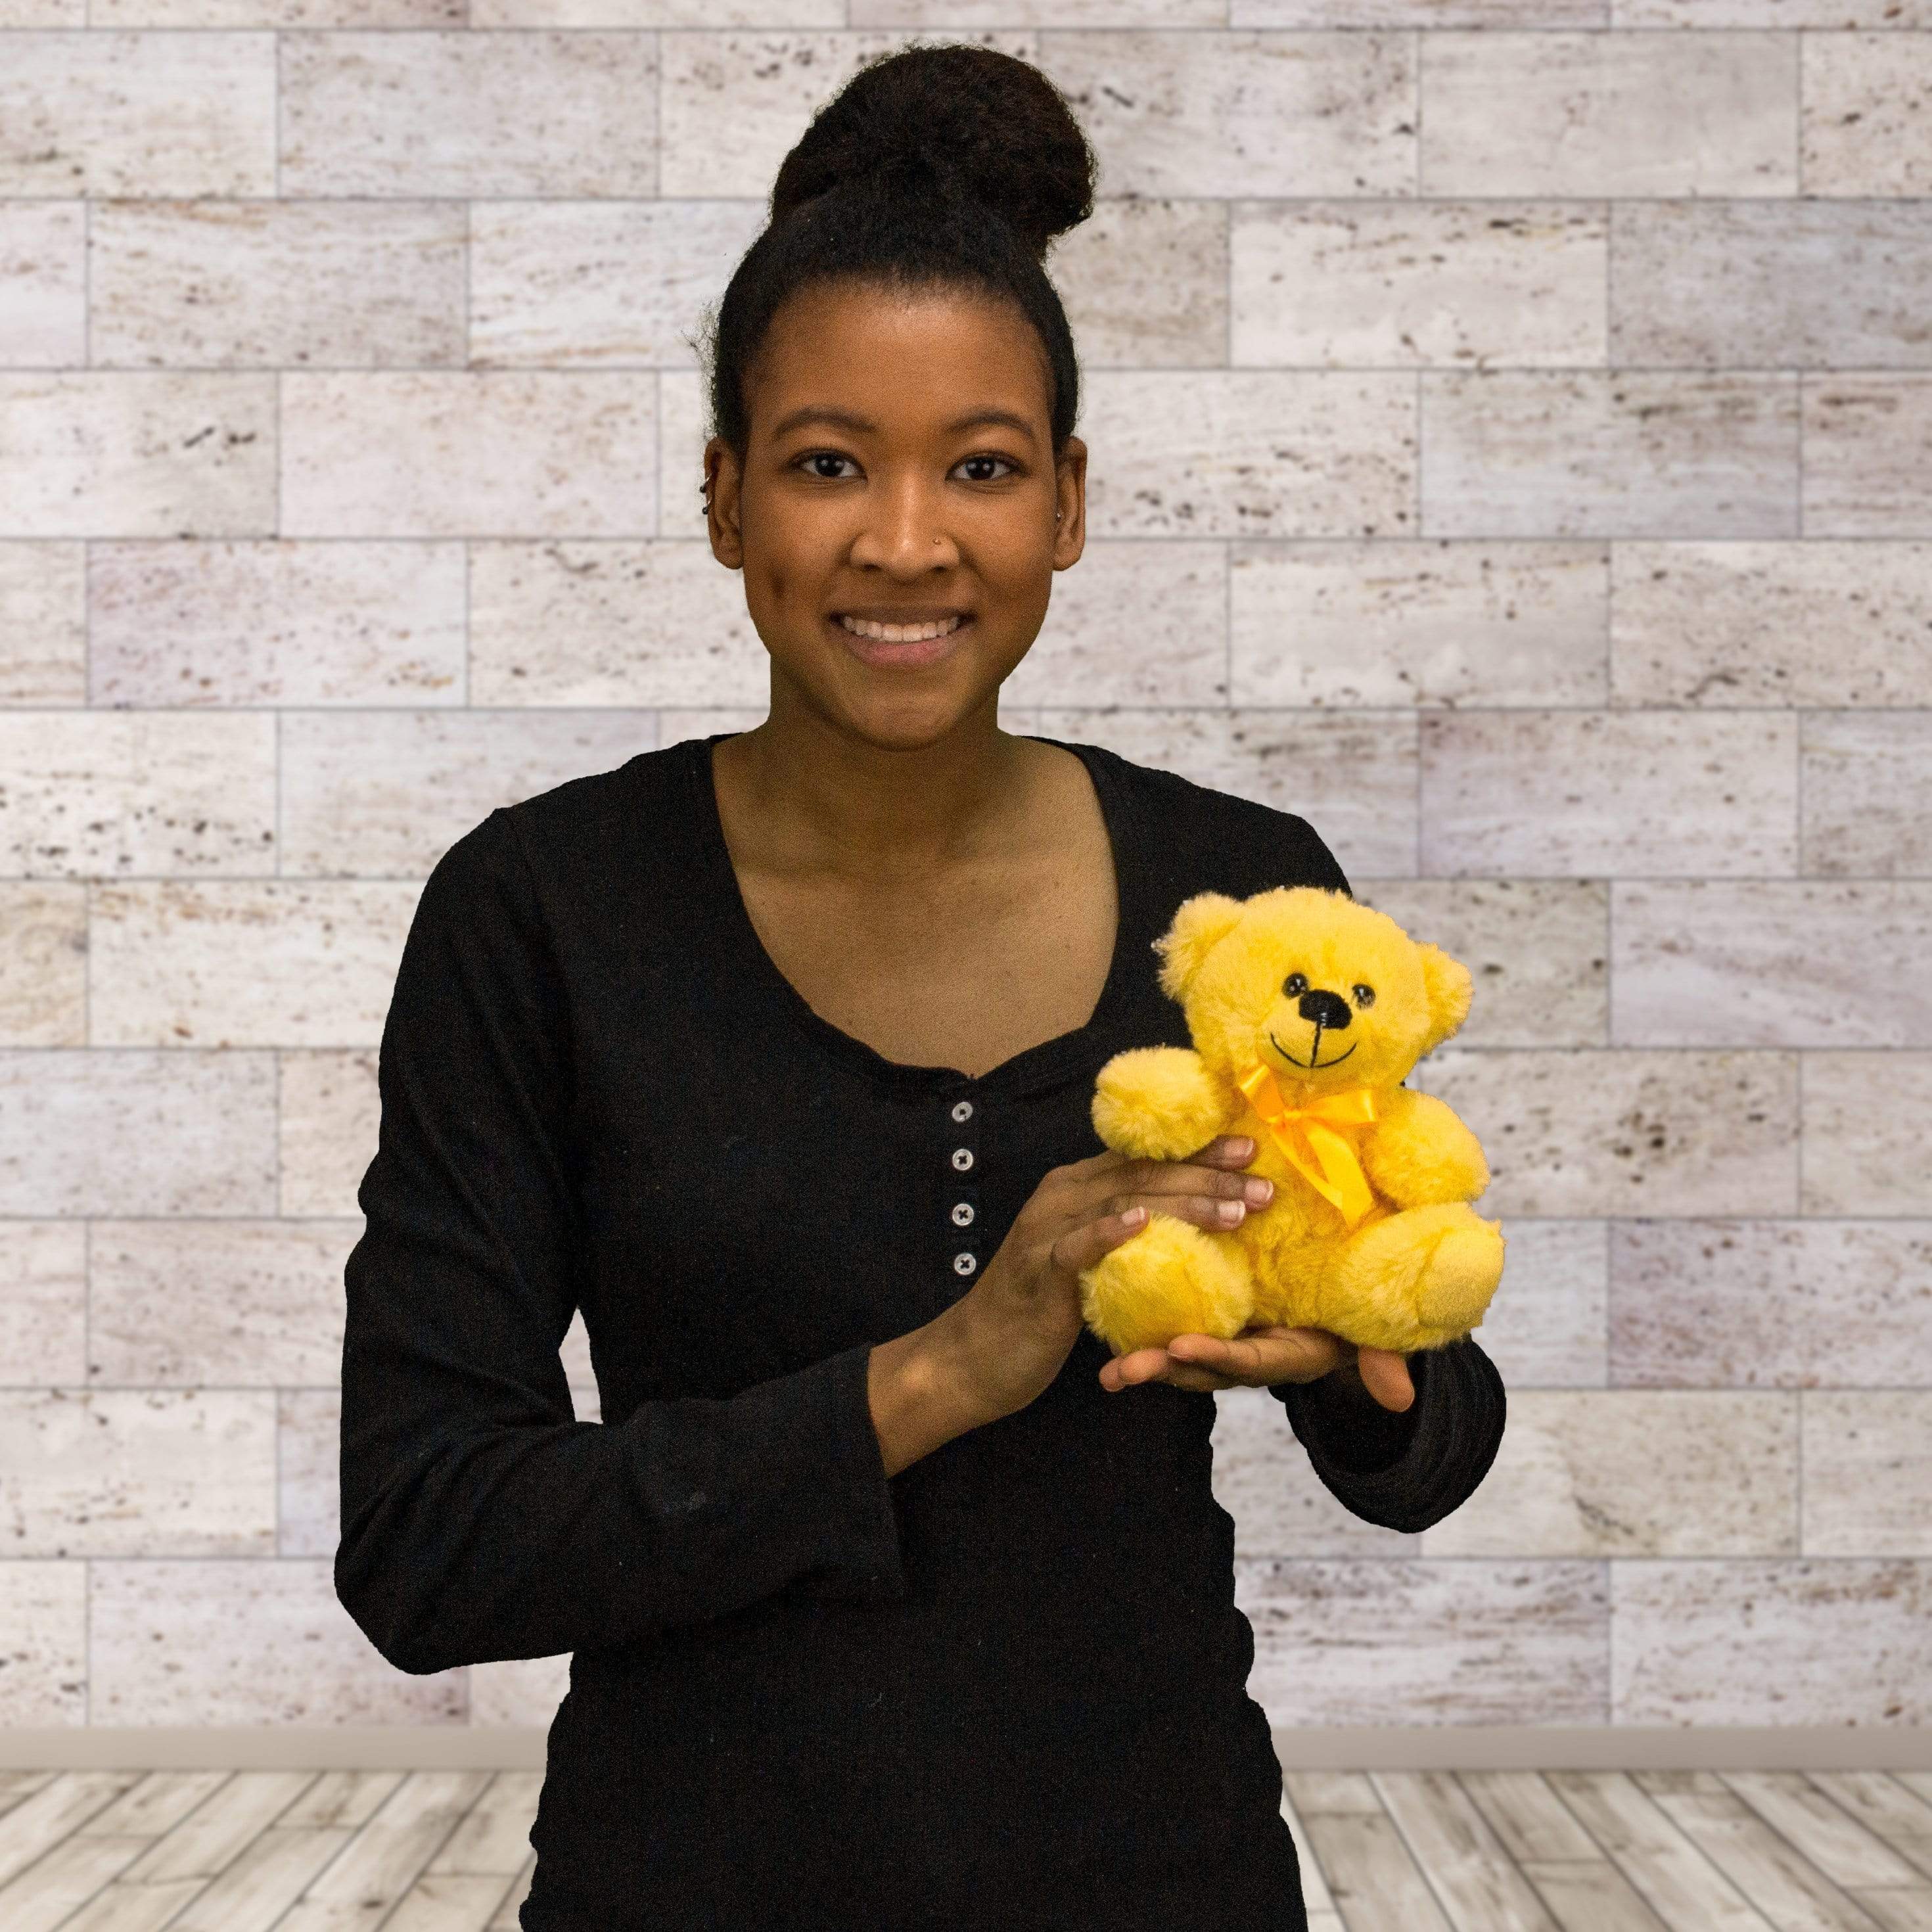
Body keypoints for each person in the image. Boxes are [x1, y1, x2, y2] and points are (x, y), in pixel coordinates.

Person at [334, 41, 1507, 1932]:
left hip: (1166, 1875)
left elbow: (1423, 1448)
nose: (902, 541)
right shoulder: (537, 907)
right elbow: (424, 1538)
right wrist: (945, 1369)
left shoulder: (1237, 897)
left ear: (1066, 501)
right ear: (723, 499)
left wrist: (1372, 1373)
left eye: (979, 464)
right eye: (823, 464)